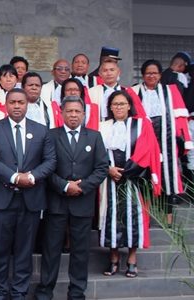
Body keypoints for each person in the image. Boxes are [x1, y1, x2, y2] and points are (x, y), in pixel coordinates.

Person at [0, 88, 56, 300]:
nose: (17, 106)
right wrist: (15, 177)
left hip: (31, 201)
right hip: (2, 200)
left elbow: (50, 161)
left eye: (21, 102)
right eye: (13, 102)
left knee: (24, 252)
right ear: (6, 104)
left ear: (27, 105)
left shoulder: (42, 131)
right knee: (0, 251)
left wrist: (32, 177)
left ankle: (19, 294)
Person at [34, 96, 109, 300]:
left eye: (78, 111)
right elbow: (45, 168)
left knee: (81, 251)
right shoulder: (51, 136)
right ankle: (45, 292)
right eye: (70, 111)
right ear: (62, 113)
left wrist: (82, 186)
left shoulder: (94, 136)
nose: (73, 115)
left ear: (84, 114)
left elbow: (102, 167)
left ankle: (76, 293)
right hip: (56, 202)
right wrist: (65, 186)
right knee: (51, 250)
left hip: (83, 203)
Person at [98, 90, 161, 278]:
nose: (118, 107)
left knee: (134, 218)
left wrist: (126, 172)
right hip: (109, 180)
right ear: (109, 107)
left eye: (122, 104)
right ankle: (114, 257)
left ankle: (132, 259)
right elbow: (98, 152)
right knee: (111, 218)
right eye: (115, 104)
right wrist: (109, 169)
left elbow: (145, 150)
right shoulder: (103, 126)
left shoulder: (141, 125)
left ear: (129, 105)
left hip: (134, 178)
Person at [132, 59, 192, 225]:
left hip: (166, 140)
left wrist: (185, 140)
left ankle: (168, 218)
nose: (152, 76)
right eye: (148, 73)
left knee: (166, 177)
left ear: (160, 75)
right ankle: (146, 218)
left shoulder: (171, 91)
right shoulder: (134, 92)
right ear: (143, 75)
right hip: (143, 141)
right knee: (145, 177)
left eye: (155, 73)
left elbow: (180, 118)